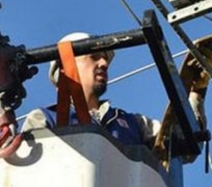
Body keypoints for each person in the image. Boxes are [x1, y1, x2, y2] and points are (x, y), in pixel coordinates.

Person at [22, 32, 160, 147]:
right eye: (94, 57)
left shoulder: (136, 124)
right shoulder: (45, 118)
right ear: (66, 67)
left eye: (105, 58)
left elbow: (170, 138)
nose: (104, 63)